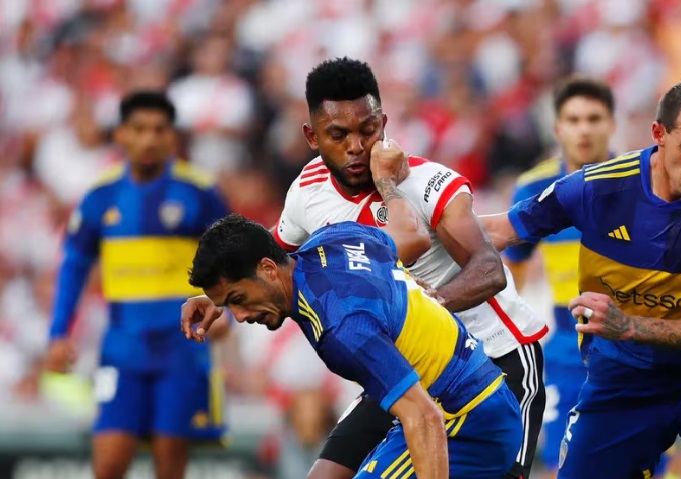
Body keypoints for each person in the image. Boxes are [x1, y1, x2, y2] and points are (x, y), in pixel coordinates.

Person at [182, 57, 547, 479]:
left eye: (368, 130)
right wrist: (216, 297)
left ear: (384, 124)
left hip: (497, 356)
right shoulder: (307, 192)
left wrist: (428, 303)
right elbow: (268, 258)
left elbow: (489, 271)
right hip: (404, 361)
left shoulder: (425, 183)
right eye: (338, 134)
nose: (356, 146)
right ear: (312, 136)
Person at [481, 80, 681, 479]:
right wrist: (413, 211)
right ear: (659, 134)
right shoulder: (597, 187)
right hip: (624, 377)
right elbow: (497, 231)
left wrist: (630, 326)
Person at [184, 214, 524, 479]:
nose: (240, 317)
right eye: (230, 304)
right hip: (474, 397)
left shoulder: (341, 328)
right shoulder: (335, 238)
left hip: (465, 419)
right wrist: (220, 300)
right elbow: (400, 235)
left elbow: (424, 417)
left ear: (268, 269)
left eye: (238, 299)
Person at [45, 91, 230, 479]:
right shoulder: (101, 195)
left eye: (159, 130)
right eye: (139, 129)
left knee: (169, 466)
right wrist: (59, 333)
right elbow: (74, 263)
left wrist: (226, 308)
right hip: (122, 348)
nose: (149, 139)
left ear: (172, 137)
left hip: (181, 347)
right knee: (108, 464)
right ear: (121, 135)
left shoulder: (199, 191)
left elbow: (231, 257)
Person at [503, 76, 615, 479]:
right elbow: (511, 276)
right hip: (566, 351)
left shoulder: (640, 183)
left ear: (611, 125)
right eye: (574, 119)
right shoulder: (534, 188)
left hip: (631, 347)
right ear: (557, 128)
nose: (584, 129)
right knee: (560, 466)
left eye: (593, 119)